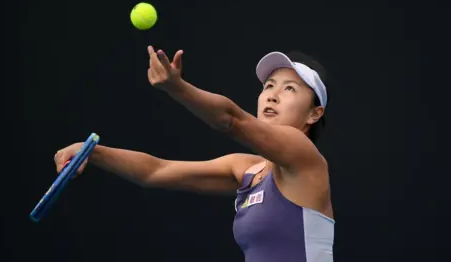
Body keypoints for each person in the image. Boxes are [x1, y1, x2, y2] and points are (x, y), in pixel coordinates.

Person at [54, 46, 335, 262]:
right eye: (269, 86)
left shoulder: (304, 157)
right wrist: (90, 151)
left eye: (289, 89)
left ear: (314, 113)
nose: (272, 96)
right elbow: (155, 171)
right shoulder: (247, 170)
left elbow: (231, 120)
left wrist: (178, 88)